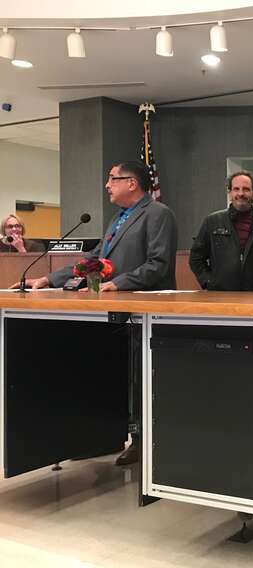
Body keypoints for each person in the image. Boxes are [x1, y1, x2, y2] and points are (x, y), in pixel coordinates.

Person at [20, 160, 177, 466]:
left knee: (139, 378)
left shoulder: (159, 214)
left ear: (132, 183)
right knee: (111, 374)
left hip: (143, 314)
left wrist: (117, 284)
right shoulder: (119, 218)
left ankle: (143, 439)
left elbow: (158, 265)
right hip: (112, 313)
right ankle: (103, 435)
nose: (107, 185)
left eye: (112, 179)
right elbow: (93, 260)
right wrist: (49, 279)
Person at [190, 171, 253, 291]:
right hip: (220, 296)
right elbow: (195, 257)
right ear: (229, 193)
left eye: (246, 189)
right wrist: (208, 282)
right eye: (236, 189)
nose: (241, 193)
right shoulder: (213, 221)